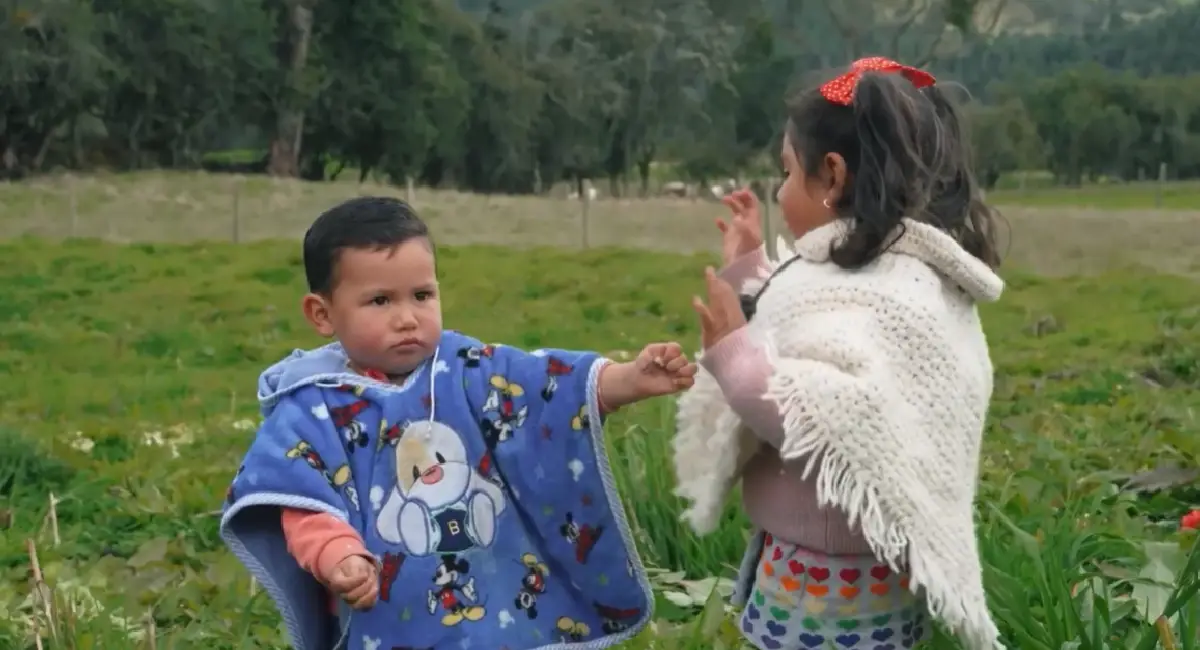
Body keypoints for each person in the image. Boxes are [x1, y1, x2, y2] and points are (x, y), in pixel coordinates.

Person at [220, 196, 698, 650]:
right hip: (390, 612)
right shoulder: (312, 406)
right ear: (322, 314)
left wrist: (628, 380)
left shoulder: (466, 368)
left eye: (422, 295)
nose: (407, 318)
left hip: (494, 596)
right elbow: (303, 499)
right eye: (380, 301)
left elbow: (544, 386)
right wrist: (337, 555)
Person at [674, 57, 1006, 650]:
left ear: (832, 175)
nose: (779, 192)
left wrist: (732, 356)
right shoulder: (890, 274)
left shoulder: (896, 293)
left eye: (786, 172)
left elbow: (817, 411)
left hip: (828, 590)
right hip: (834, 568)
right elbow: (797, 332)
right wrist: (748, 268)